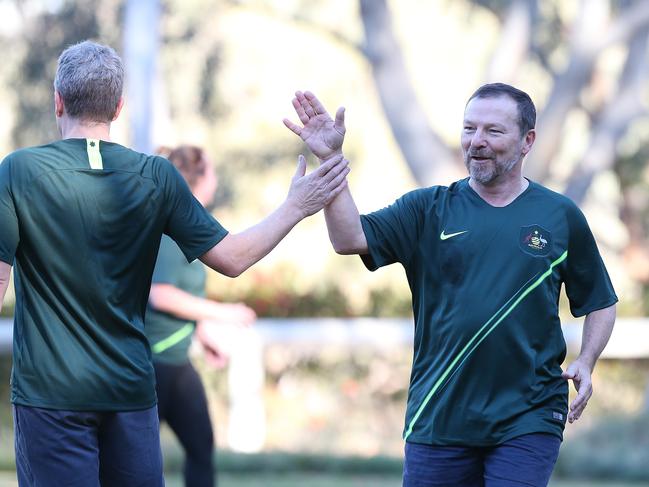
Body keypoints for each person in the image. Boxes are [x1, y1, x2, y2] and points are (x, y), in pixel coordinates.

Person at [0, 40, 349, 487]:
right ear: (119, 106)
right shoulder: (156, 175)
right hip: (130, 391)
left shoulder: (19, 171)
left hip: (50, 396)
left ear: (58, 101)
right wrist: (296, 206)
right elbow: (233, 258)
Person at [283, 84, 617, 487]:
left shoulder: (560, 216)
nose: (477, 142)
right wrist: (331, 158)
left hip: (529, 414)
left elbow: (600, 299)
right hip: (438, 414)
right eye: (469, 129)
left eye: (493, 131)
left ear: (527, 141)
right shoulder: (427, 208)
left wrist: (587, 360)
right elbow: (349, 238)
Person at [145, 145, 257, 487]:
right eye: (211, 170)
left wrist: (203, 334)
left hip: (177, 361)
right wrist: (224, 313)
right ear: (198, 178)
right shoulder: (169, 228)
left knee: (200, 447)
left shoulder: (192, 225)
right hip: (152, 362)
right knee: (137, 462)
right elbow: (159, 293)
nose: (216, 177)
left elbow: (183, 295)